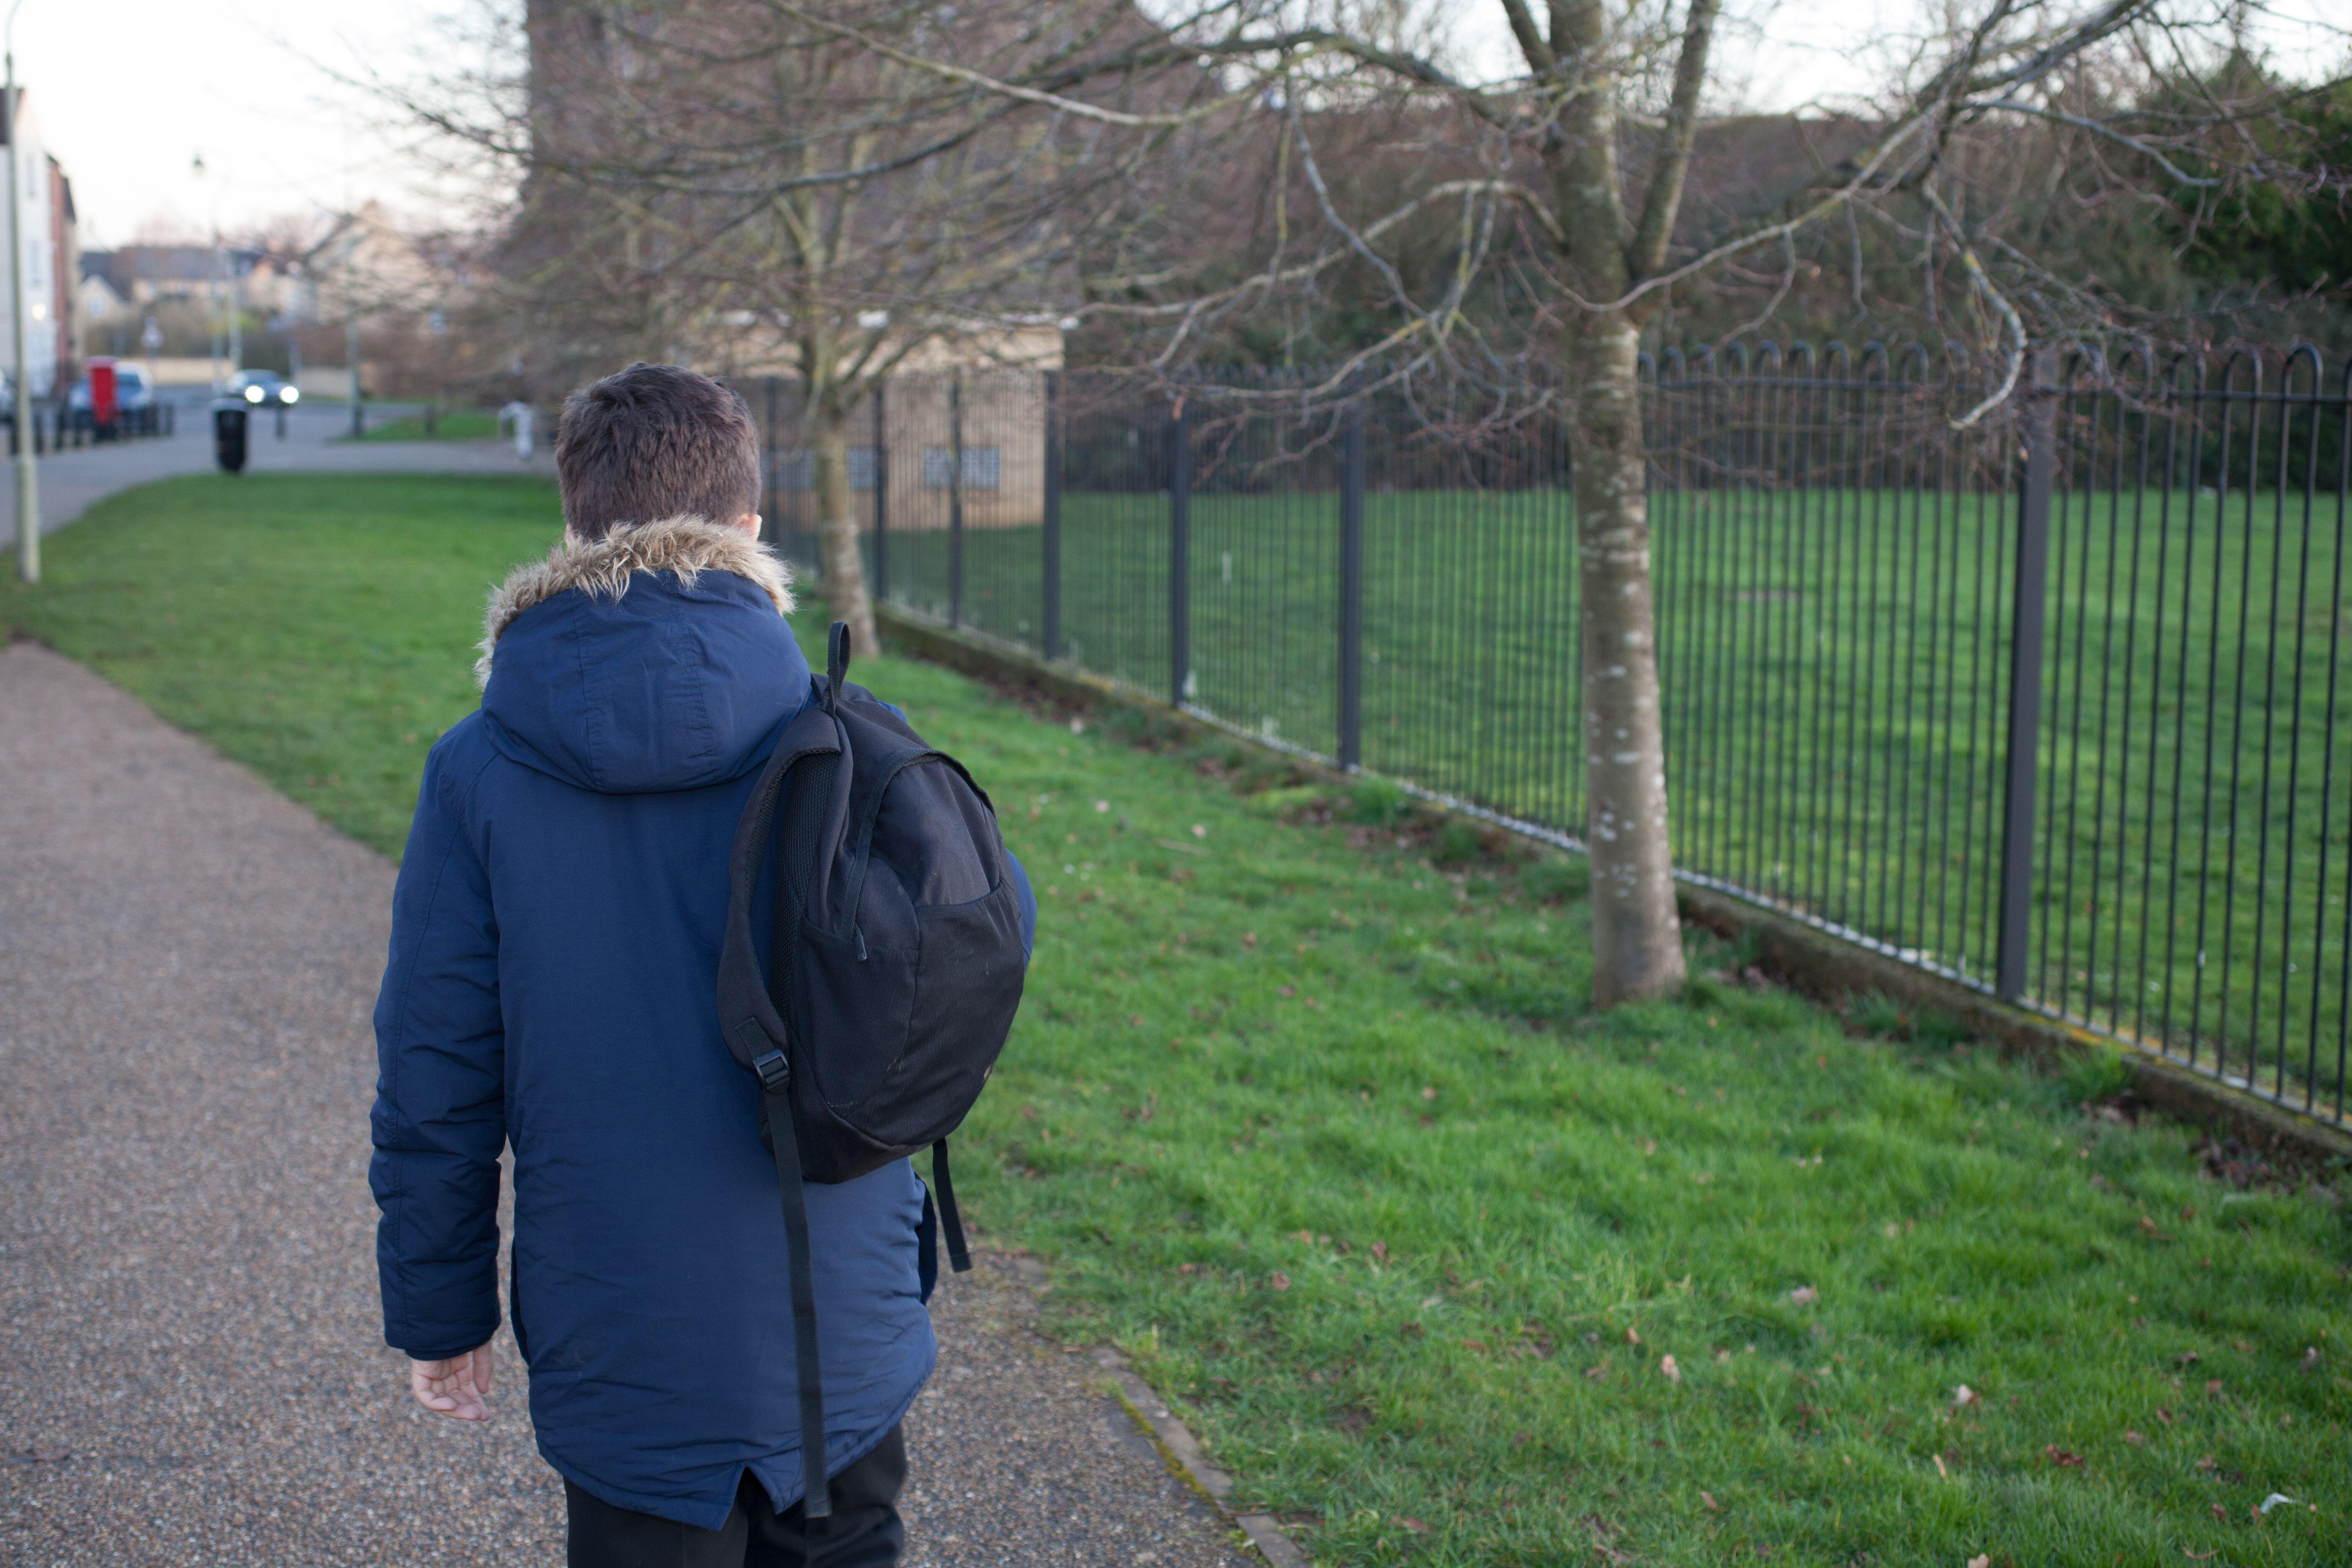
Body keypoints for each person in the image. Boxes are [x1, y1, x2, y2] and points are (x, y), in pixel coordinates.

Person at [369, 362, 1032, 1568]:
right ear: (749, 532)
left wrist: (440, 1309)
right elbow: (974, 951)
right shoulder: (845, 740)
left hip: (624, 1343)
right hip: (842, 1323)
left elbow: (436, 1070)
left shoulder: (478, 774)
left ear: (573, 529)